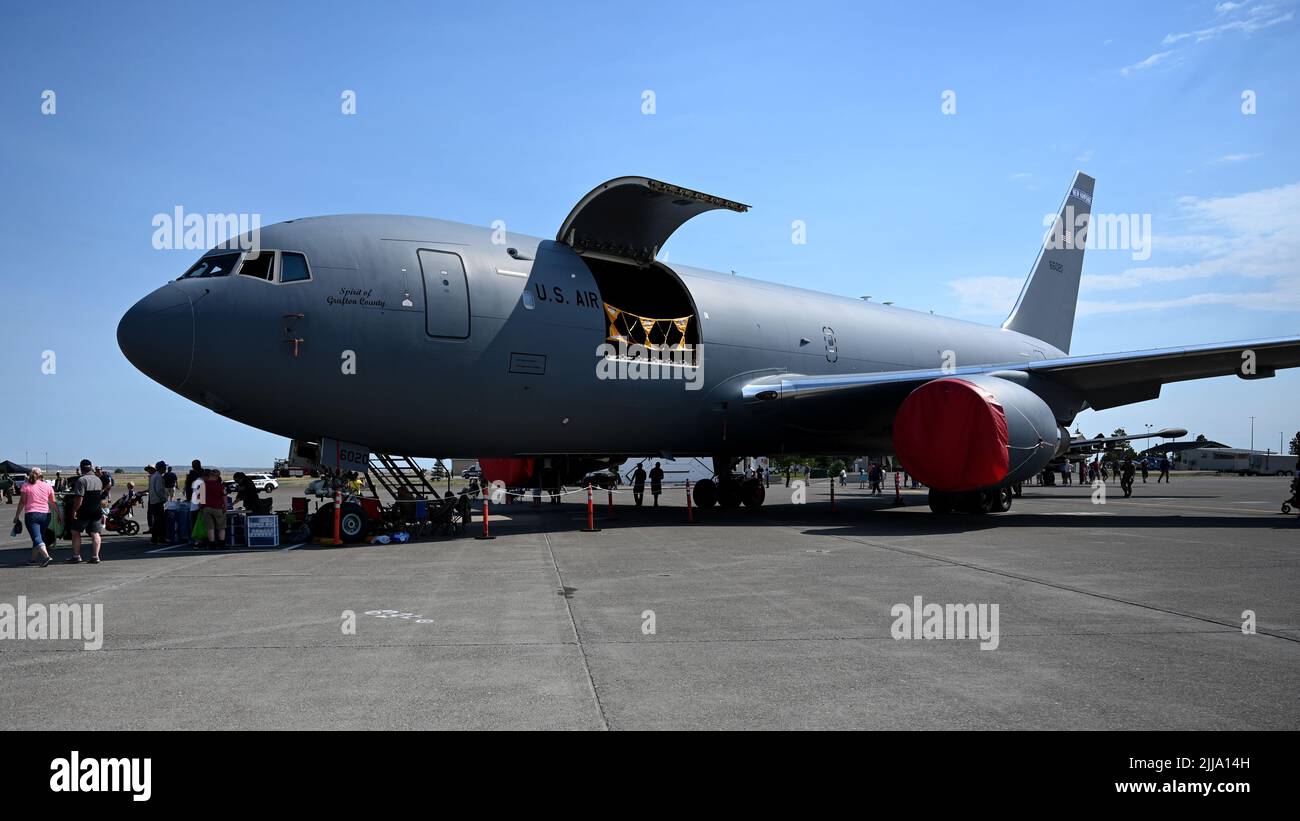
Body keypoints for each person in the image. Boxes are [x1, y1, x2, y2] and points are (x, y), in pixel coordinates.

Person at [13, 467, 54, 566]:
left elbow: (22, 502)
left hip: (32, 514)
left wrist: (16, 516)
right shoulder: (47, 486)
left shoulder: (26, 486)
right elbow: (53, 502)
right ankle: (33, 559)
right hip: (46, 515)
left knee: (36, 537)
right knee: (38, 536)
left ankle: (46, 556)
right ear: (41, 475)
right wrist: (59, 514)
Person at [66, 459, 105, 564]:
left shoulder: (81, 480)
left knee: (75, 532)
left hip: (84, 511)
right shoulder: (98, 480)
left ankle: (76, 556)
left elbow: (79, 498)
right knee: (95, 533)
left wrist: (74, 510)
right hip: (96, 510)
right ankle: (95, 556)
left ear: (82, 468)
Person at [196, 468, 227, 549]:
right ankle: (222, 544)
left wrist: (200, 507)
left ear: (209, 475)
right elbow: (224, 497)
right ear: (217, 477)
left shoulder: (203, 485)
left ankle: (212, 544)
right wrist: (225, 507)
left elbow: (200, 498)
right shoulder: (220, 485)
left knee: (210, 527)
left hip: (206, 508)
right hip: (218, 508)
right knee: (221, 527)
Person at [147, 460, 168, 543]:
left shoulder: (153, 476)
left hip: (153, 501)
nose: (165, 468)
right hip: (158, 501)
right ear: (161, 468)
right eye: (164, 467)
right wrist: (164, 499)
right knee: (159, 521)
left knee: (157, 520)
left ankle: (157, 538)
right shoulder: (159, 477)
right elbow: (159, 490)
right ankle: (157, 538)